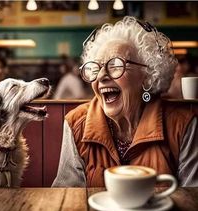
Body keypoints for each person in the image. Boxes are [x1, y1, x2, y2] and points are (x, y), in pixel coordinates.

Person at [52, 16, 198, 187]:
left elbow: (193, 202)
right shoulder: (76, 123)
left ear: (148, 75)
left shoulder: (182, 124)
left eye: (115, 65)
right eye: (96, 67)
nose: (101, 76)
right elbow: (66, 198)